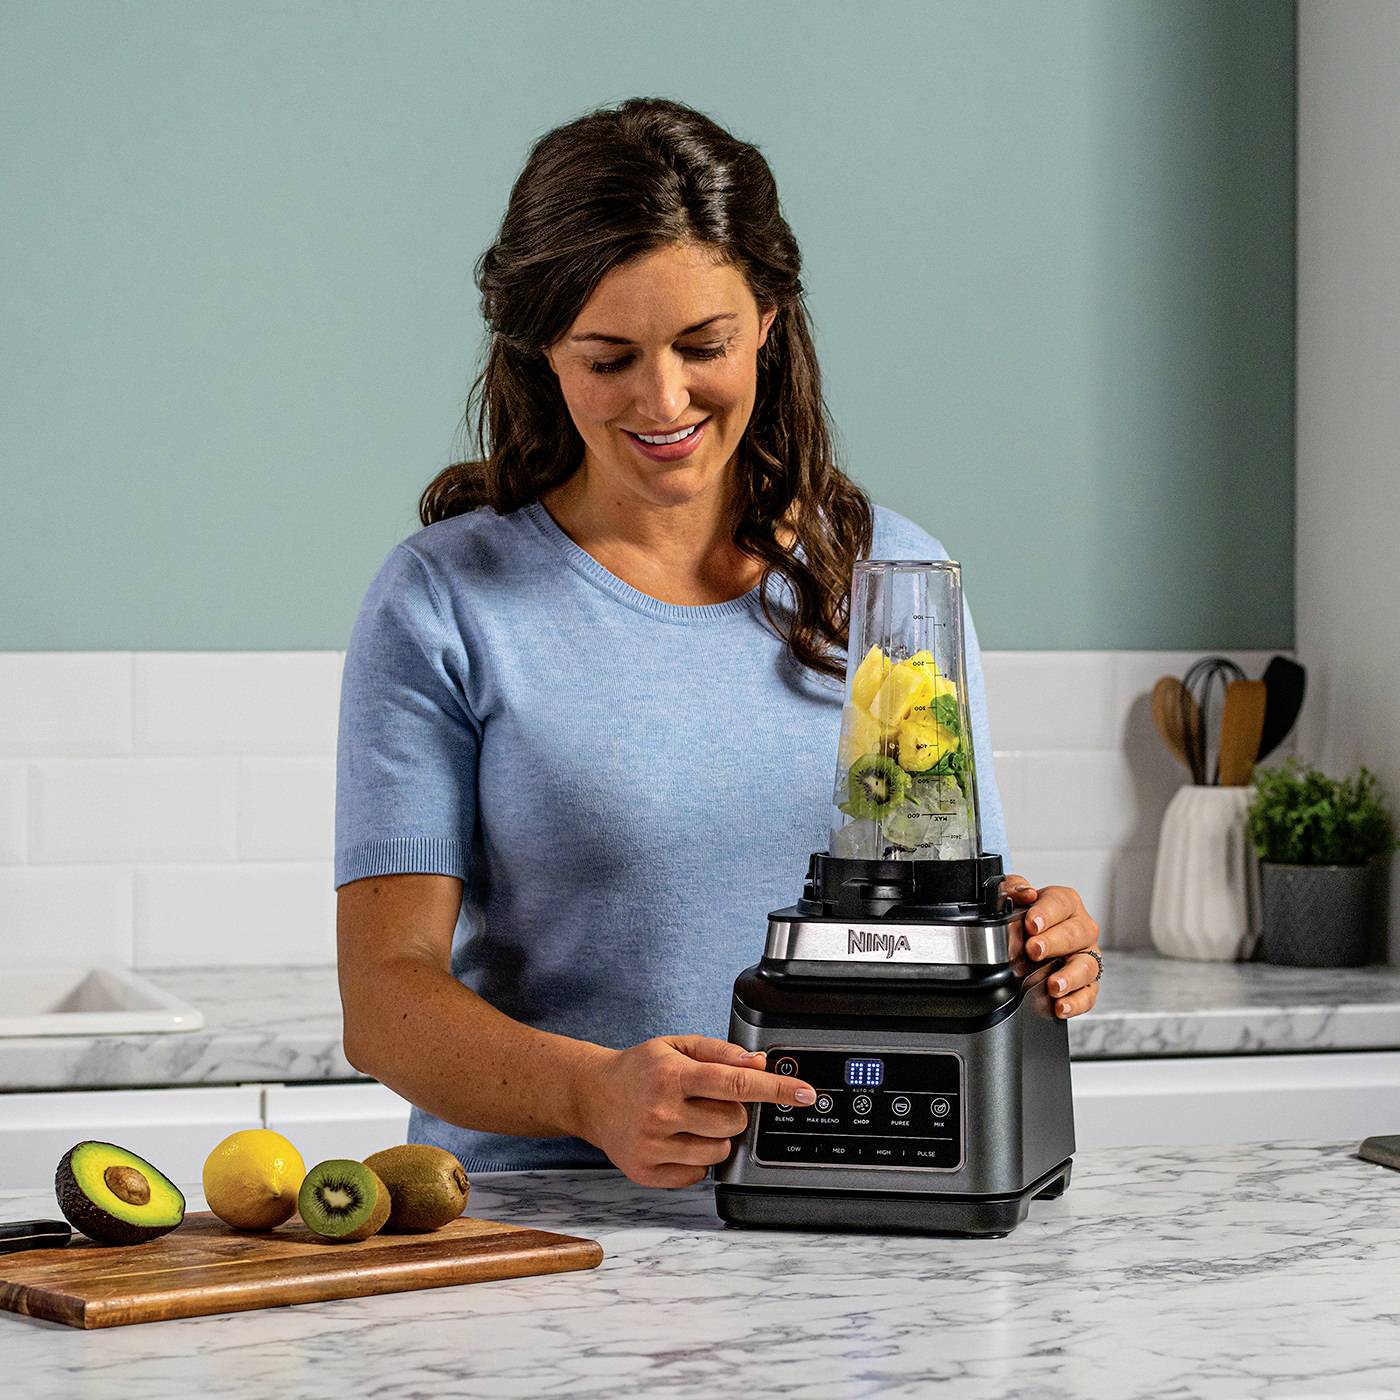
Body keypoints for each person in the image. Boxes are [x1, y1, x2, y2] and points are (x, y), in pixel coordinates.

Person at [334, 96, 1102, 1190]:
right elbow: (383, 999)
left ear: (770, 324)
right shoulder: (444, 598)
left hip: (861, 1189)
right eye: (609, 356)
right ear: (543, 347)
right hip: (551, 1212)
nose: (663, 398)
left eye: (704, 345)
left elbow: (949, 908)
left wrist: (1036, 944)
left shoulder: (892, 581)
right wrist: (589, 1092)